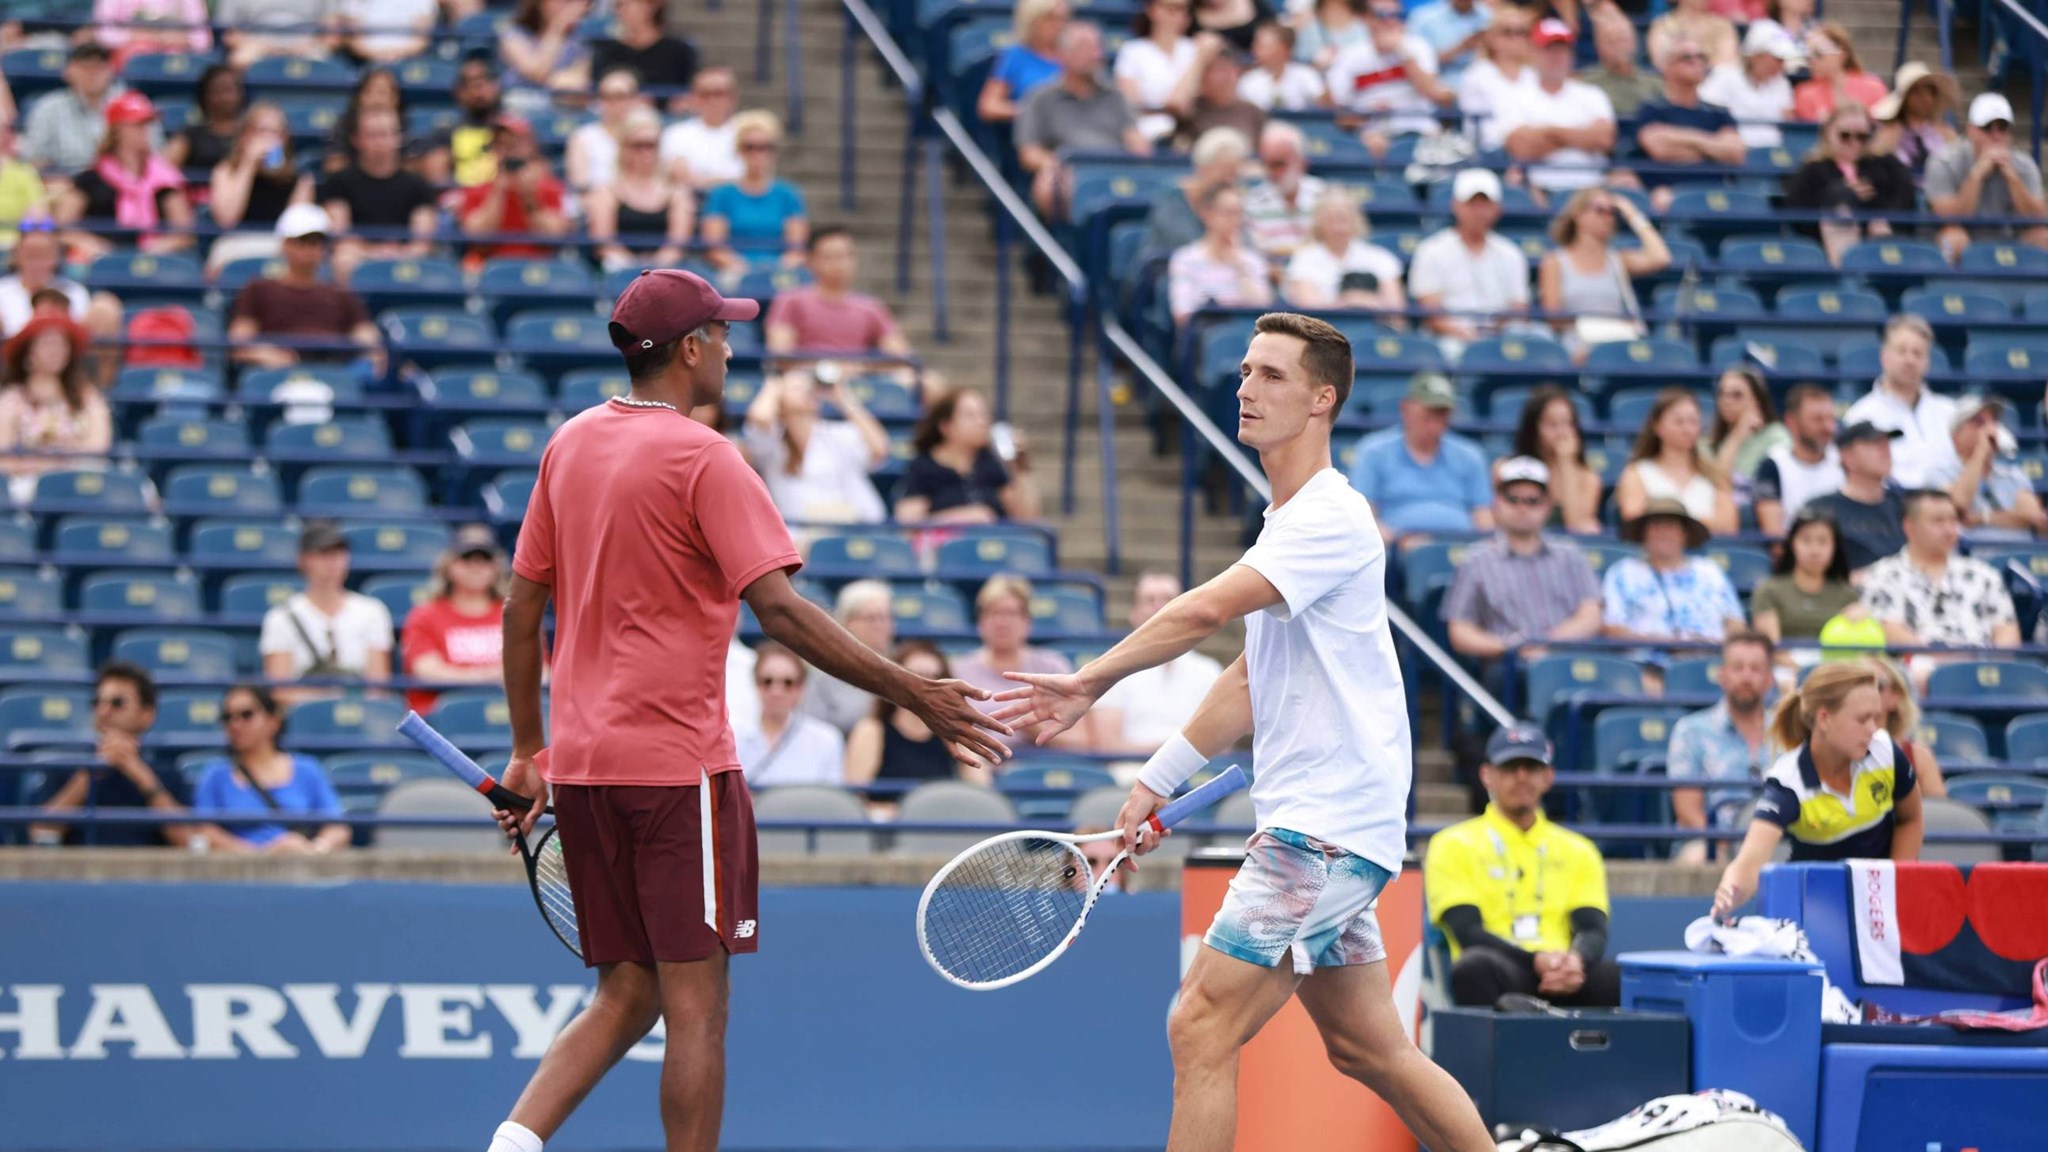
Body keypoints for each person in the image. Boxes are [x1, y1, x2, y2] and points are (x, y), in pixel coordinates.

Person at [485, 268, 1008, 1152]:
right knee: (697, 1010)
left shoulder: (570, 442)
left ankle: (511, 1143)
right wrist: (915, 689)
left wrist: (528, 751)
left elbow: (518, 608)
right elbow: (784, 613)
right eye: (722, 334)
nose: (731, 347)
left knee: (628, 991)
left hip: (580, 769)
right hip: (675, 770)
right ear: (691, 351)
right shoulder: (706, 457)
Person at [989, 311, 1495, 1152]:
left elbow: (1207, 610)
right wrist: (1158, 778)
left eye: (1271, 376)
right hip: (1330, 827)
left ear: (1321, 400)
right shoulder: (1287, 522)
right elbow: (1252, 675)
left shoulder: (1330, 514)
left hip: (1320, 833)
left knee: (1199, 1027)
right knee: (1370, 1047)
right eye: (1246, 371)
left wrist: (1090, 680)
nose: (1245, 388)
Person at [1426, 721, 1620, 1008]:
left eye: (1531, 767)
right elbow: (1467, 932)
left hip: (1563, 972)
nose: (1521, 777)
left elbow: (1592, 928)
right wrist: (1535, 961)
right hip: (1505, 970)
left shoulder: (1580, 849)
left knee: (1623, 977)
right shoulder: (1451, 844)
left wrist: (1576, 961)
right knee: (1474, 967)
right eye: (1509, 767)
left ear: (1548, 776)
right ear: (1486, 775)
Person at [1711, 661, 1922, 919]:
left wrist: (1893, 883)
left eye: (1875, 717)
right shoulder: (1789, 783)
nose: (1873, 729)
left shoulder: (1885, 751)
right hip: (1817, 909)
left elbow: (1911, 818)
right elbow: (1750, 861)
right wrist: (1729, 895)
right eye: (1862, 719)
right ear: (1824, 719)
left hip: (1878, 907)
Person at [1443, 456, 1603, 671]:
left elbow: (1591, 615)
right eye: (1512, 499)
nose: (1522, 508)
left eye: (1532, 501)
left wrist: (1548, 643)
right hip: (1508, 666)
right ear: (1497, 502)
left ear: (1547, 506)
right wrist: (1507, 647)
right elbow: (1460, 631)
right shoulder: (1475, 560)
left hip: (1567, 658)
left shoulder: (1571, 554)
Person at [26, 663, 200, 849]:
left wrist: (142, 777)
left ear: (147, 715)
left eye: (117, 703)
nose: (103, 712)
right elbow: (40, 833)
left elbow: (189, 843)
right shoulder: (66, 769)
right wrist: (90, 775)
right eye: (97, 703)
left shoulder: (168, 774)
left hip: (147, 875)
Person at [764, 227, 933, 392]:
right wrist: (827, 369)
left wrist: (859, 368)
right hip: (807, 380)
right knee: (792, 387)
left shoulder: (871, 307)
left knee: (926, 382)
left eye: (845, 256)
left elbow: (900, 354)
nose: (839, 263)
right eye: (829, 257)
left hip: (860, 381)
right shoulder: (790, 300)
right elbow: (780, 356)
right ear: (811, 261)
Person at [191, 685, 351, 854]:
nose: (235, 724)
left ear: (273, 720)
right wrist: (260, 855)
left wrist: (314, 849)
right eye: (227, 717)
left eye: (246, 715)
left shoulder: (307, 769)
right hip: (240, 874)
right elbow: (205, 831)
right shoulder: (216, 774)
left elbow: (338, 827)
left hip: (300, 868)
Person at [1859, 489, 2021, 651]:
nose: (1949, 530)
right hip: (1916, 669)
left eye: (1953, 521)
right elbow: (1890, 631)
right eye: (1938, 521)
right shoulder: (1884, 574)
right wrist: (1941, 663)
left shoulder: (1984, 575)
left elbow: (2007, 630)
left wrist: (1989, 663)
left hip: (1980, 667)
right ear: (1909, 527)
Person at [226, 204, 381, 370]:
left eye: (316, 242)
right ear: (285, 244)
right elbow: (240, 343)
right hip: (280, 372)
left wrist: (378, 355)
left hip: (335, 369)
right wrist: (266, 355)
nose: (309, 249)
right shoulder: (258, 289)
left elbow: (366, 337)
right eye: (302, 242)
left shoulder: (341, 292)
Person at [1017, 22, 1148, 216]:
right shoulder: (1040, 98)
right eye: (1084, 48)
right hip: (1071, 171)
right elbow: (1029, 152)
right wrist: (1056, 166)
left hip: (1116, 169)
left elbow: (1136, 142)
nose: (1095, 55)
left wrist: (1139, 156)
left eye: (1097, 47)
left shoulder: (1115, 96)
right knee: (1048, 184)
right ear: (1062, 54)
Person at [1667, 631, 1776, 862]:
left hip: (1775, 844)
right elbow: (1688, 812)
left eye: (1755, 669)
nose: (1746, 677)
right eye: (1738, 668)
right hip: (1713, 845)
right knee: (1695, 858)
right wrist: (1734, 846)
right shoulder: (1690, 731)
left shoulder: (1787, 732)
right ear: (1721, 675)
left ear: (1769, 679)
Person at [1346, 371, 1492, 540]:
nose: (1435, 419)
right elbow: (1364, 514)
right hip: (1397, 546)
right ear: (1406, 408)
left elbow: (1483, 515)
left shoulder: (1470, 455)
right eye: (1428, 411)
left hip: (1461, 545)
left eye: (1442, 412)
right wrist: (1389, 540)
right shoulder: (1374, 451)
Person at [1094, 571, 1226, 756]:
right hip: (1130, 773)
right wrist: (1170, 757)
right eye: (1150, 600)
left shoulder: (1209, 670)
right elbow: (1107, 744)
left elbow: (1223, 743)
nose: (1160, 607)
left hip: (1197, 773)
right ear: (1133, 613)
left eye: (1169, 599)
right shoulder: (1110, 668)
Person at [953, 574, 1090, 750]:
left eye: (1010, 613)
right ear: (980, 621)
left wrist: (1036, 731)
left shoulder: (1053, 666)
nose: (1001, 622)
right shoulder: (959, 671)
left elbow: (1083, 742)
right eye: (993, 613)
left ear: (1027, 621)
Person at [740, 365, 889, 525]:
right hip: (800, 535)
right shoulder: (772, 440)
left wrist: (844, 399)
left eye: (809, 386)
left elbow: (879, 449)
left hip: (852, 524)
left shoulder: (837, 433)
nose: (807, 390)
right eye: (797, 387)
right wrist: (774, 387)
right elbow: (759, 417)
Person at [258, 525, 394, 700]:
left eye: (338, 554)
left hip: (361, 715)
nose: (332, 563)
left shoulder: (373, 611)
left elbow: (378, 687)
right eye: (323, 554)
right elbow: (280, 692)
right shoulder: (280, 617)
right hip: (304, 720)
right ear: (303, 560)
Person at [53, 91, 195, 258]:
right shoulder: (92, 179)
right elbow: (62, 226)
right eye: (138, 124)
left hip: (156, 259)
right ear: (117, 130)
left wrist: (161, 245)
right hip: (100, 259)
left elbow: (185, 232)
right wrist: (88, 243)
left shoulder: (165, 178)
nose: (145, 131)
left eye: (148, 124)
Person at [1488, 20, 1618, 198]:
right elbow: (1521, 147)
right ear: (1533, 52)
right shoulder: (1514, 94)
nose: (1556, 56)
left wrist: (1547, 133)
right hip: (1536, 190)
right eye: (1548, 49)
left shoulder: (1592, 94)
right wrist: (1582, 135)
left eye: (1562, 49)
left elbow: (1604, 138)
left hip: (1589, 191)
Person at [1407, 168, 1529, 356]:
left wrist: (1492, 334)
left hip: (1501, 336)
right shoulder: (1431, 250)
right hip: (1448, 339)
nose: (1479, 211)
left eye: (1485, 204)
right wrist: (1467, 335)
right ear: (1456, 205)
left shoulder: (1511, 253)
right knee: (1448, 351)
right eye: (1472, 204)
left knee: (1532, 340)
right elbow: (1430, 311)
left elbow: (1518, 307)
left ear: (1497, 209)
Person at [1537, 187, 1668, 360]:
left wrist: (1632, 215)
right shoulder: (1554, 261)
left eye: (1612, 212)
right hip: (1575, 348)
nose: (1608, 218)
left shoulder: (1619, 260)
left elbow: (1661, 258)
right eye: (1600, 210)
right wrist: (1590, 327)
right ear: (1578, 214)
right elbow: (1554, 317)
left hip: (1617, 345)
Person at [1782, 101, 1917, 263]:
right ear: (1828, 133)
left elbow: (1905, 194)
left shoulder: (1885, 163)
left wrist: (1885, 219)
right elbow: (1798, 211)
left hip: (1885, 240)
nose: (1854, 143)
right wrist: (1842, 194)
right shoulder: (1812, 168)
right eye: (1845, 136)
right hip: (1825, 247)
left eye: (1862, 137)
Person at [0, 313, 111, 505]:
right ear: (29, 352)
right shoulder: (11, 399)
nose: (55, 351)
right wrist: (43, 466)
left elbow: (99, 446)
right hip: (28, 485)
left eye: (60, 344)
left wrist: (54, 460)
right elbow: (3, 456)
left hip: (81, 480)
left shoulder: (87, 396)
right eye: (47, 344)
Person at [401, 524, 510, 716]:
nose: (476, 567)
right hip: (442, 723)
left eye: (485, 560)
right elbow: (426, 671)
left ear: (496, 567)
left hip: (506, 717)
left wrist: (465, 675)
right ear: (449, 565)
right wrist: (492, 676)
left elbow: (541, 672)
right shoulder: (425, 615)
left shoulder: (515, 615)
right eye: (466, 559)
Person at [1601, 500, 1746, 644]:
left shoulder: (1710, 572)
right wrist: (1659, 642)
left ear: (1684, 534)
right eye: (1656, 526)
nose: (1663, 533)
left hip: (1709, 659)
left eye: (1670, 526)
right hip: (1645, 661)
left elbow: (1736, 624)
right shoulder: (1622, 572)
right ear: (1644, 533)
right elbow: (1612, 628)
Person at [321, 107, 440, 281]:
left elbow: (422, 241)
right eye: (372, 134)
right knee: (343, 258)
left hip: (404, 257)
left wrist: (397, 253)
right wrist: (373, 253)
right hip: (358, 255)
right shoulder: (339, 182)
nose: (380, 142)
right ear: (357, 139)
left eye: (386, 134)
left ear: (398, 138)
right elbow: (340, 233)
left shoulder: (418, 185)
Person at [846, 642, 987, 785]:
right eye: (916, 677)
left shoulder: (954, 734)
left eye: (935, 678)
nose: (926, 687)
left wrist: (960, 732)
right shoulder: (872, 730)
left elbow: (981, 789)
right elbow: (856, 793)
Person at [895, 387, 1042, 524]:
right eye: (971, 416)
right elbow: (909, 523)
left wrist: (1019, 469)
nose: (982, 422)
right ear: (946, 426)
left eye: (984, 414)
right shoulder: (923, 467)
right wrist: (964, 517)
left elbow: (1027, 519)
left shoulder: (991, 462)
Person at [1926, 93, 2048, 257]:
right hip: (1960, 236)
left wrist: (2012, 177)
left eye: (2002, 128)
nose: (1996, 135)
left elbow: (2039, 219)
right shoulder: (1944, 161)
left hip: (2011, 237)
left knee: (2044, 237)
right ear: (1970, 130)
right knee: (1953, 238)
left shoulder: (2024, 165)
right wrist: (1977, 175)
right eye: (1987, 128)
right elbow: (1949, 218)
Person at [1842, 314, 1954, 490]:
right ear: (1884, 356)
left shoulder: (1949, 412)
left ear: (1927, 362)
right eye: (1901, 351)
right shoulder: (1862, 415)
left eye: (1918, 354)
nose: (1910, 360)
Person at [1633, 40, 1746, 209]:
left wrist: (1679, 138)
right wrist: (1712, 149)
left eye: (1701, 57)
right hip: (1669, 195)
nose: (1698, 62)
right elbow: (1660, 149)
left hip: (1717, 194)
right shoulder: (1652, 110)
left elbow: (1735, 153)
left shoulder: (1718, 112)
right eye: (1687, 58)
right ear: (1668, 67)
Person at [206, 101, 317, 271]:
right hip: (236, 242)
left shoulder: (300, 180)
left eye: (275, 132)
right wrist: (248, 165)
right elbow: (227, 219)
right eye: (261, 131)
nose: (269, 139)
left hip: (281, 247)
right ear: (245, 136)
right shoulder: (225, 171)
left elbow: (295, 230)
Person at [1613, 388, 1739, 536]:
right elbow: (1634, 519)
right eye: (1678, 422)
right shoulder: (1637, 472)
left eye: (1693, 421)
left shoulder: (1714, 474)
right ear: (1657, 426)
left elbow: (1729, 526)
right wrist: (1700, 523)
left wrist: (1667, 520)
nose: (1687, 429)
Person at [1327, 0, 1454, 145]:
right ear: (1366, 18)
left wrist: (1402, 51)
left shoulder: (1417, 46)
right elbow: (1339, 116)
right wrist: (1368, 113)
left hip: (1417, 130)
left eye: (1396, 14)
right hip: (1369, 136)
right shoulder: (1349, 55)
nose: (1390, 19)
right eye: (1382, 14)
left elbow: (1431, 92)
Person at [587, 107, 695, 272]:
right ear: (623, 147)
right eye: (638, 145)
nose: (645, 152)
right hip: (619, 272)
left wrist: (654, 269)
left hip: (666, 273)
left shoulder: (677, 194)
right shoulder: (606, 192)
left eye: (651, 145)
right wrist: (635, 269)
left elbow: (677, 244)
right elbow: (604, 243)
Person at [700, 110, 807, 272]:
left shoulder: (788, 194)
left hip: (779, 274)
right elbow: (715, 247)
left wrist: (776, 269)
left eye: (764, 147)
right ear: (739, 150)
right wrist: (742, 268)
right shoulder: (722, 194)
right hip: (733, 273)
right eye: (749, 147)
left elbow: (796, 249)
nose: (757, 154)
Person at [456, 115, 571, 264]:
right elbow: (478, 239)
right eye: (501, 144)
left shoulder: (552, 188)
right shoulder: (475, 191)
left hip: (540, 267)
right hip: (490, 267)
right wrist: (497, 193)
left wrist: (530, 198)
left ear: (530, 146)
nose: (508, 151)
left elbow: (554, 237)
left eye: (514, 144)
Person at [1934, 394, 2048, 540]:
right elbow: (1958, 507)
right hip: (1970, 558)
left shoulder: (2013, 474)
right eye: (1979, 422)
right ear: (1956, 434)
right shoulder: (1940, 473)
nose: (1989, 428)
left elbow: (2032, 518)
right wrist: (1981, 452)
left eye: (1993, 421)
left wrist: (1981, 518)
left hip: (2017, 558)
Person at [735, 642, 847, 786]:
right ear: (756, 684)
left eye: (788, 683)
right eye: (767, 681)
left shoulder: (827, 739)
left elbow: (830, 798)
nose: (776, 692)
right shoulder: (733, 738)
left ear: (801, 687)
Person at [1803, 421, 1908, 573]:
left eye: (1887, 444)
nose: (1886, 450)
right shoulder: (1822, 509)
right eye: (1875, 444)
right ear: (1848, 457)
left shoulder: (1903, 504)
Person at [1281, 188, 1405, 313]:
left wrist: (1361, 301)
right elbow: (1307, 310)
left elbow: (1396, 312)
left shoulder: (1381, 258)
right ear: (1318, 222)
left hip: (1376, 329)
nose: (1337, 227)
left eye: (1343, 219)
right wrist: (1349, 301)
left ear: (1356, 220)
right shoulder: (1304, 259)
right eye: (1330, 219)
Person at [1168, 184, 1273, 326]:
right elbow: (1182, 315)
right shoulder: (1186, 259)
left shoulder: (1251, 260)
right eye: (1228, 213)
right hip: (1205, 334)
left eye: (1239, 213)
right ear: (1208, 214)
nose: (1235, 220)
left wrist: (1240, 267)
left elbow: (1263, 311)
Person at [0, 223, 121, 347]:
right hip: (11, 356)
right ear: (16, 255)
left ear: (56, 257)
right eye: (31, 254)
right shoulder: (2, 290)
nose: (36, 261)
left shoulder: (73, 291)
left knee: (105, 305)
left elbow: (79, 335)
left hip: (65, 356)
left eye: (43, 254)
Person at [1750, 508, 1858, 643]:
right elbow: (1770, 647)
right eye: (1806, 540)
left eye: (1823, 541)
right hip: (1784, 663)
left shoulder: (1848, 595)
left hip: (1834, 663)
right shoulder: (1769, 590)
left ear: (1835, 548)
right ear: (1792, 544)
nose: (1815, 550)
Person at [802, 580, 895, 735]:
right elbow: (813, 731)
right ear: (846, 622)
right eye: (872, 618)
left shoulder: (903, 666)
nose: (880, 625)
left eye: (885, 618)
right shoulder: (824, 675)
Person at [1141, 126, 1248, 258]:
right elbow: (1186, 244)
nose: (1229, 181)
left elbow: (1247, 243)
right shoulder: (1172, 198)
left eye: (1234, 175)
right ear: (1201, 167)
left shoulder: (1230, 201)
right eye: (1225, 173)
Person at [20, 41, 123, 177]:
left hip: (117, 183)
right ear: (68, 71)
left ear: (111, 71)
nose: (92, 73)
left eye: (99, 67)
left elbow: (148, 157)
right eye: (85, 67)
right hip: (63, 182)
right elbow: (34, 160)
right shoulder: (48, 108)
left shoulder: (125, 106)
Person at [1753, 384, 1842, 536]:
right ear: (1791, 421)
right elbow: (1774, 536)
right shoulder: (1772, 465)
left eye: (1831, 419)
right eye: (1817, 419)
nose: (1828, 428)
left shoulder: (1846, 460)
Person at [1509, 387, 1602, 533]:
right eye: (1552, 424)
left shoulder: (1588, 477)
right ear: (1533, 428)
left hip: (1566, 551)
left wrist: (1566, 462)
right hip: (1522, 544)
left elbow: (1577, 525)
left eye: (1568, 424)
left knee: (1591, 526)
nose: (1562, 432)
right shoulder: (1508, 469)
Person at [1699, 23, 1799, 149]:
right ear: (1756, 56)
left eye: (1783, 60)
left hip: (1773, 153)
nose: (1781, 65)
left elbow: (1787, 123)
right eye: (1777, 59)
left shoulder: (1782, 84)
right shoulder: (1723, 77)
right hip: (1732, 152)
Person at [591, 0, 699, 111]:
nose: (620, 11)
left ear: (651, 5)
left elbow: (690, 92)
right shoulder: (606, 50)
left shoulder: (679, 50)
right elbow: (596, 92)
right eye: (618, 6)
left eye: (626, 4)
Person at [1116, 0, 1198, 143]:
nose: (1178, 15)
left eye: (1184, 9)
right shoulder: (1133, 51)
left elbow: (1191, 105)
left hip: (1191, 131)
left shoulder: (1196, 50)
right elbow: (1130, 104)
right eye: (1171, 8)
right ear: (1152, 10)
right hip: (1147, 132)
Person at [1166, 32, 1266, 149]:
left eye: (1230, 67)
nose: (1228, 74)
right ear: (1203, 76)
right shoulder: (1193, 108)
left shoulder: (1252, 112)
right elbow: (1175, 105)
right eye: (1219, 69)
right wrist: (1200, 59)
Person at [1706, 367, 1788, 509]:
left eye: (1737, 395)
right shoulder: (1708, 441)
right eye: (1722, 394)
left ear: (1757, 400)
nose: (1727, 401)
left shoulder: (1777, 436)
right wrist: (1738, 434)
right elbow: (1716, 485)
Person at [978, 0, 1071, 125]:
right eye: (1050, 19)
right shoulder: (1015, 56)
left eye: (1063, 19)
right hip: (1032, 133)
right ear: (1032, 22)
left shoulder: (1075, 55)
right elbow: (989, 106)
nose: (1059, 25)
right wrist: (1028, 112)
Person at [425, 54, 507, 188]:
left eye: (483, 83)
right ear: (459, 92)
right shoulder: (446, 134)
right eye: (470, 85)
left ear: (495, 86)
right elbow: (437, 176)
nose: (478, 92)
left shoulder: (514, 130)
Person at [1872, 656, 1949, 798]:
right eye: (1856, 685)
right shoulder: (1833, 752)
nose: (1867, 691)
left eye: (1878, 686)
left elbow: (1940, 815)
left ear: (1895, 697)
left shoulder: (1919, 758)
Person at [499, 0, 593, 116]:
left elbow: (579, 83)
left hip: (560, 104)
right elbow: (536, 72)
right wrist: (557, 28)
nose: (567, 9)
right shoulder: (514, 35)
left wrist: (558, 82)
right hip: (520, 103)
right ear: (540, 4)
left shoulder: (576, 41)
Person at [1870, 62, 1960, 181]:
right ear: (1905, 98)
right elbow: (1875, 158)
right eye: (1916, 92)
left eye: (1929, 91)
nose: (1924, 97)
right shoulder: (1889, 132)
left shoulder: (1946, 133)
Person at [660, 67, 744, 190]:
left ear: (733, 97)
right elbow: (680, 178)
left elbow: (751, 179)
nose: (712, 100)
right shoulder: (675, 133)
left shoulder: (746, 134)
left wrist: (702, 180)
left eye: (719, 93)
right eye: (705, 94)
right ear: (693, 97)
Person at [568, 68, 650, 193]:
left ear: (635, 99)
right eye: (606, 97)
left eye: (620, 96)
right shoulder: (583, 137)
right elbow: (581, 185)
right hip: (595, 204)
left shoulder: (647, 136)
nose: (613, 103)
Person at [1793, 24, 1887, 123]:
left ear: (1841, 54)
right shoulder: (1805, 94)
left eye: (1818, 53)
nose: (1812, 60)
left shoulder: (1874, 88)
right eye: (1807, 55)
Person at [1455, 4, 1531, 121]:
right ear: (1491, 37)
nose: (1516, 38)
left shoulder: (1534, 75)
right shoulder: (1476, 75)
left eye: (1521, 32)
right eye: (1507, 31)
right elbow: (1476, 124)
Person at [163, 63, 244, 172]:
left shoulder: (251, 135)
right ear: (205, 95)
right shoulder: (189, 136)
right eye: (219, 90)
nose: (226, 97)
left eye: (230, 90)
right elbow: (163, 169)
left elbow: (273, 166)